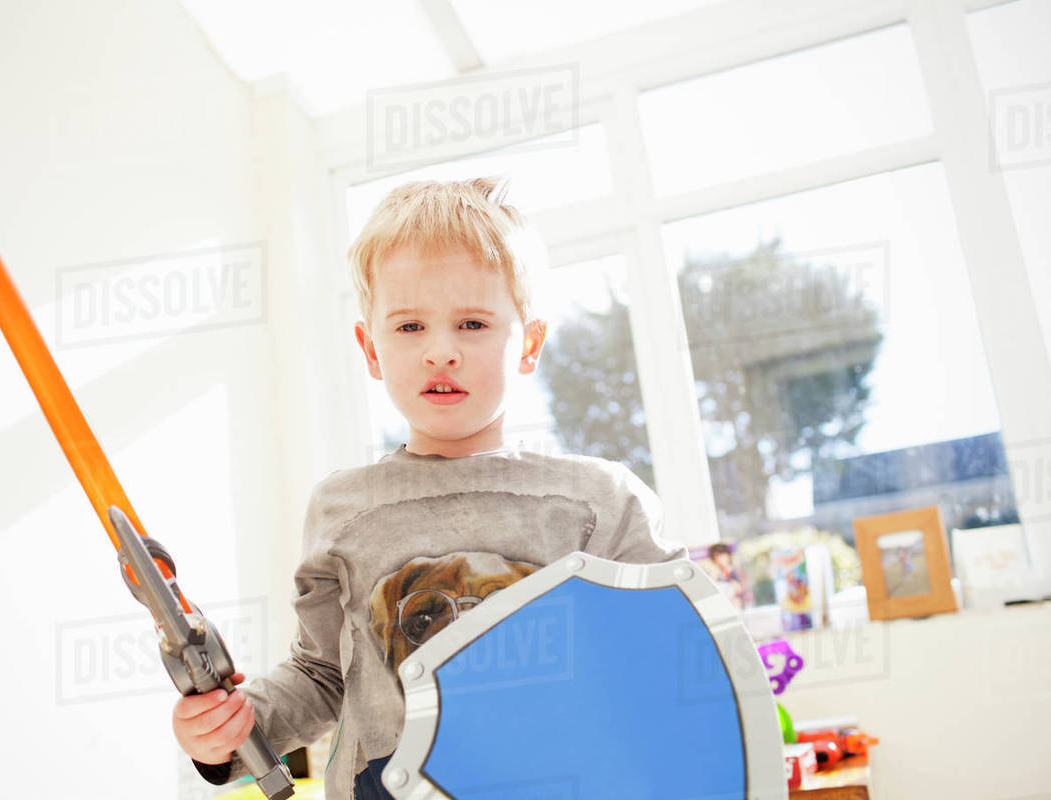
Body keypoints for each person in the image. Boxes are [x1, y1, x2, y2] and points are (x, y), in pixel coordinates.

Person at [171, 177, 688, 800]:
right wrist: (228, 731)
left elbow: (675, 656)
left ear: (528, 342)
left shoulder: (598, 501)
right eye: (410, 326)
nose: (440, 352)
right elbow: (325, 676)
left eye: (471, 323)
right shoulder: (342, 510)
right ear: (370, 348)